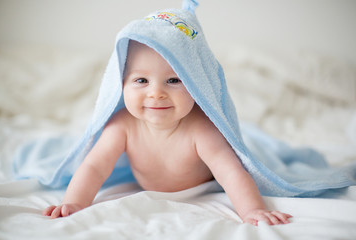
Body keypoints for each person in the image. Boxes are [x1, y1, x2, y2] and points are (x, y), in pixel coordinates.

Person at [43, 40, 292, 226]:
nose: (156, 93)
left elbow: (230, 172)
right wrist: (74, 203)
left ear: (196, 86)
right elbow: (95, 166)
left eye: (173, 80)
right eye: (141, 80)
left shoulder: (201, 128)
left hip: (202, 184)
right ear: (120, 85)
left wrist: (252, 210)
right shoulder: (122, 125)